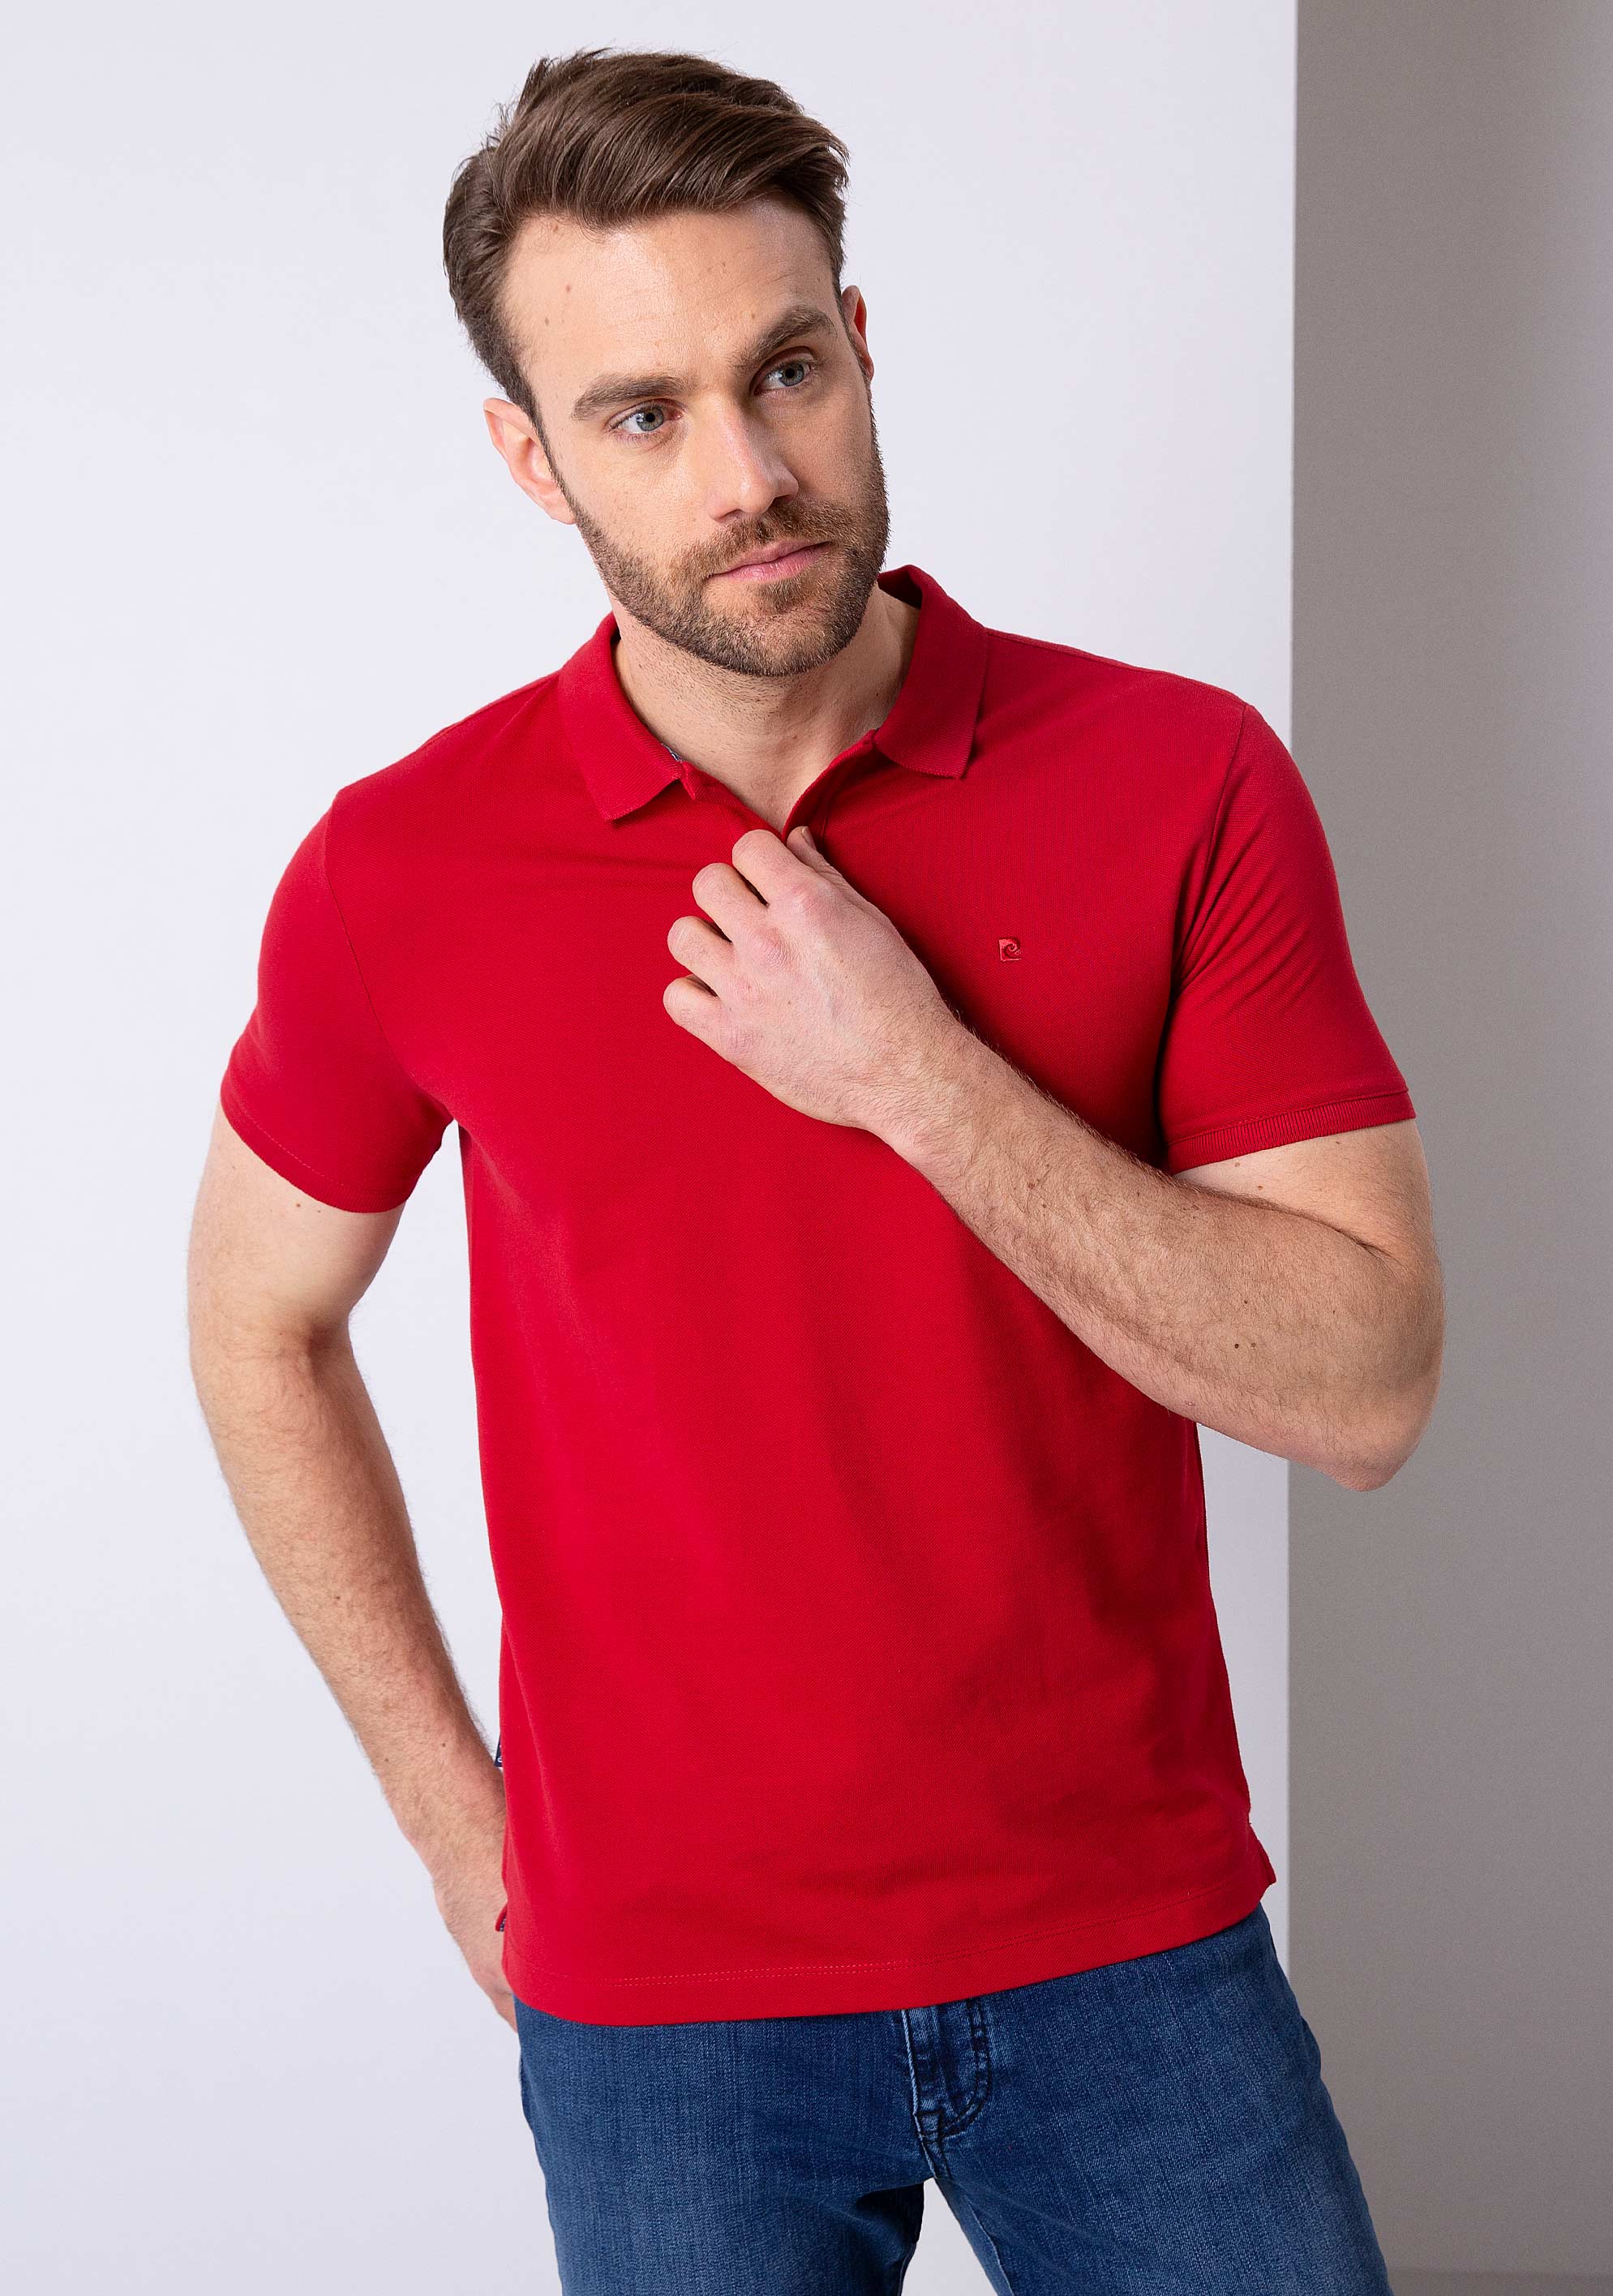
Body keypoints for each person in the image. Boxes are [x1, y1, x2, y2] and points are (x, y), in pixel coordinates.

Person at [187, 45, 1444, 2296]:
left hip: (1130, 1950)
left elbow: (1363, 1391)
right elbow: (254, 1322)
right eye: (640, 412)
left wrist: (914, 1076)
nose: (750, 475)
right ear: (531, 454)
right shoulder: (403, 871)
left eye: (785, 371)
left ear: (860, 343)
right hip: (664, 2007)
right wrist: (452, 1819)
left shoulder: (1178, 779)